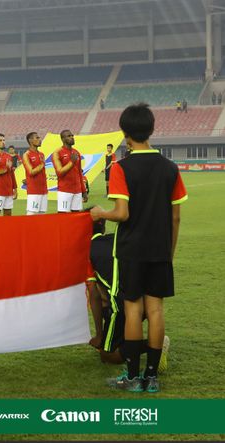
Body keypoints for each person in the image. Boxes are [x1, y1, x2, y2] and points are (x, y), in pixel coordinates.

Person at [90, 103, 187, 393]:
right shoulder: (170, 167)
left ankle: (132, 377)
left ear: (124, 134)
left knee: (133, 309)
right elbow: (176, 216)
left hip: (131, 249)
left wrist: (100, 214)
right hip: (159, 249)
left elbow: (122, 213)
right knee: (155, 310)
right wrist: (168, 252)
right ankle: (152, 378)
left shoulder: (121, 167)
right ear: (152, 129)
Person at [85, 217, 170, 371]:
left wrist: (98, 335)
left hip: (123, 305)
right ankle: (148, 350)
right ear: (103, 227)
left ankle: (152, 345)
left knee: (106, 355)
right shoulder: (116, 239)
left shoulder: (88, 250)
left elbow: (94, 294)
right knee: (115, 313)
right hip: (144, 299)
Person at [52, 129, 87, 213]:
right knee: (63, 216)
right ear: (63, 139)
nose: (72, 137)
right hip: (65, 191)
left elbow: (79, 173)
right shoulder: (57, 152)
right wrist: (72, 162)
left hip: (77, 191)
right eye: (69, 136)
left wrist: (84, 191)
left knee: (76, 216)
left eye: (72, 136)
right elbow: (59, 172)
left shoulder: (76, 152)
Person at [23, 132, 48, 215]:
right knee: (32, 214)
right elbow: (31, 172)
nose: (39, 140)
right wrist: (42, 164)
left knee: (42, 214)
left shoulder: (41, 154)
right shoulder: (27, 155)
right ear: (30, 140)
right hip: (34, 191)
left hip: (43, 190)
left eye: (39, 138)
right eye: (37, 138)